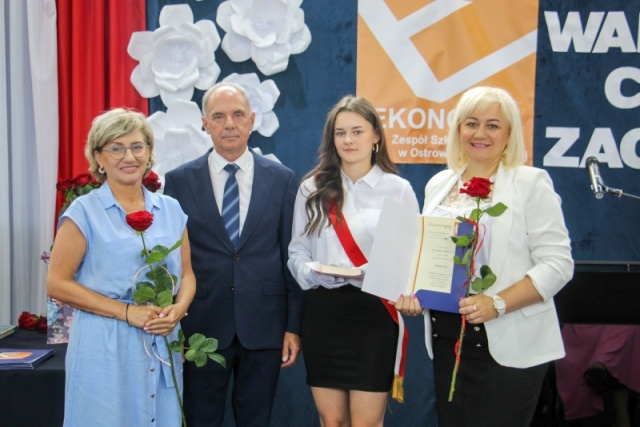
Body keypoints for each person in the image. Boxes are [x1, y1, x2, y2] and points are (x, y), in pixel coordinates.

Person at [394, 86, 574, 426]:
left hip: (510, 344)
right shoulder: (439, 184)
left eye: (492, 125)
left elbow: (558, 265)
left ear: (509, 134)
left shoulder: (530, 183)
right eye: (472, 123)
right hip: (448, 341)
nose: (480, 133)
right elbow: (429, 257)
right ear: (458, 129)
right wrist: (413, 294)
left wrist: (498, 303)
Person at [163, 82, 304, 427]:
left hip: (265, 325)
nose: (229, 124)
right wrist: (175, 328)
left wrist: (292, 327)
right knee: (200, 419)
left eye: (238, 114)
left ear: (252, 120)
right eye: (218, 116)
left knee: (256, 420)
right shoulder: (179, 181)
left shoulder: (282, 179)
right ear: (204, 124)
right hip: (200, 325)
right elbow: (171, 262)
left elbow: (291, 255)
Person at [47, 108, 195, 427]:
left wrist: (178, 310)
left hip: (161, 339)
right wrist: (127, 312)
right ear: (99, 157)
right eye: (116, 148)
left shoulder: (171, 209)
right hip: (103, 344)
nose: (129, 156)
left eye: (137, 146)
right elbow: (57, 283)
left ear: (149, 152)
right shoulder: (83, 212)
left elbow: (186, 274)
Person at [287, 95, 419, 426]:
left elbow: (410, 255)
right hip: (323, 313)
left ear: (375, 136)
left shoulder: (398, 189)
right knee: (331, 420)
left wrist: (384, 274)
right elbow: (297, 250)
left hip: (374, 314)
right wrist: (311, 272)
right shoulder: (312, 188)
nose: (348, 140)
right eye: (340, 133)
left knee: (365, 423)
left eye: (357, 131)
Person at [555, 324, 640, 426]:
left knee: (626, 328)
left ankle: (601, 363)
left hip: (619, 326)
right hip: (587, 324)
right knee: (622, 336)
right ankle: (602, 363)